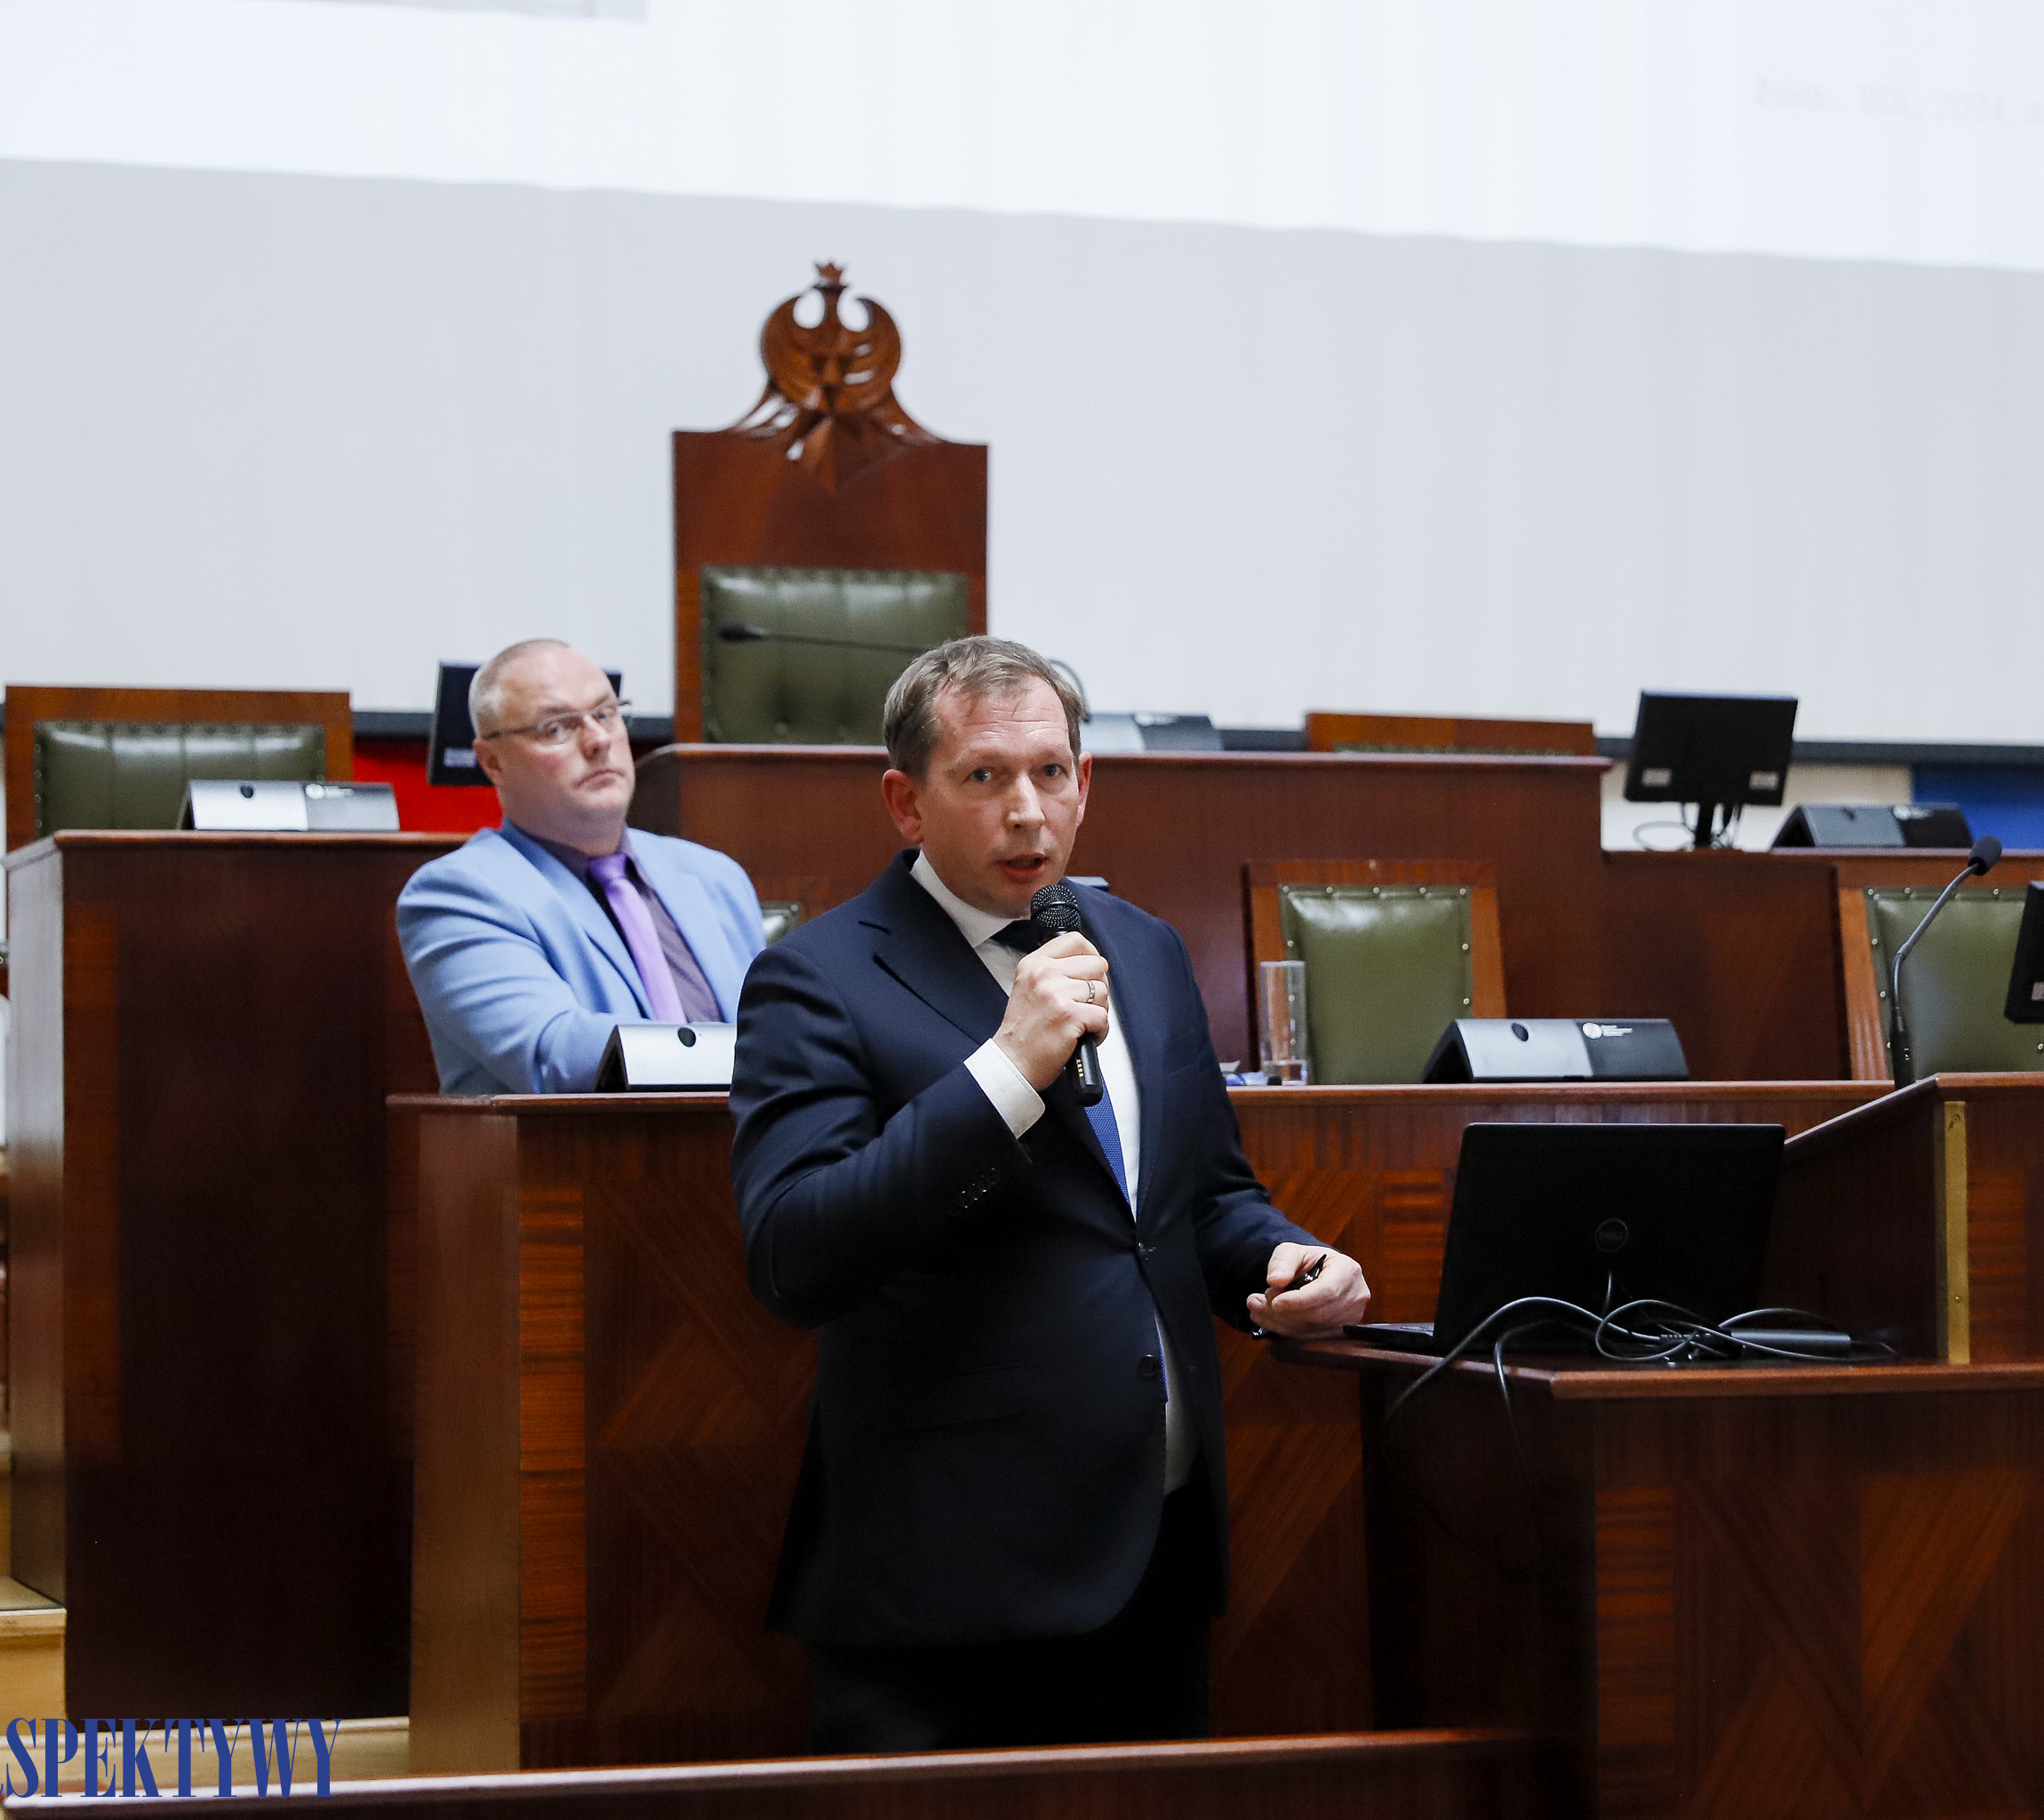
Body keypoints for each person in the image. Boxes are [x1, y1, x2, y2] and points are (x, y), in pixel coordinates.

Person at [729, 635, 1373, 1752]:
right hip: (948, 1585)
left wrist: (1276, 1258)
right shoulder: (819, 976)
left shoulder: (1145, 948)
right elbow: (797, 1253)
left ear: (1087, 782)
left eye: (1052, 771)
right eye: (984, 776)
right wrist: (1002, 1072)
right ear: (905, 800)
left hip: (1154, 1555)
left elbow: (1200, 1195)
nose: (1028, 810)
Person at [397, 638, 768, 1093]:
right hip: (581, 1158)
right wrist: (764, 1057)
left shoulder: (714, 877)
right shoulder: (457, 895)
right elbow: (554, 1057)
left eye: (606, 713)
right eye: (556, 728)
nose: (597, 741)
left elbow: (787, 1031)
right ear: (492, 762)